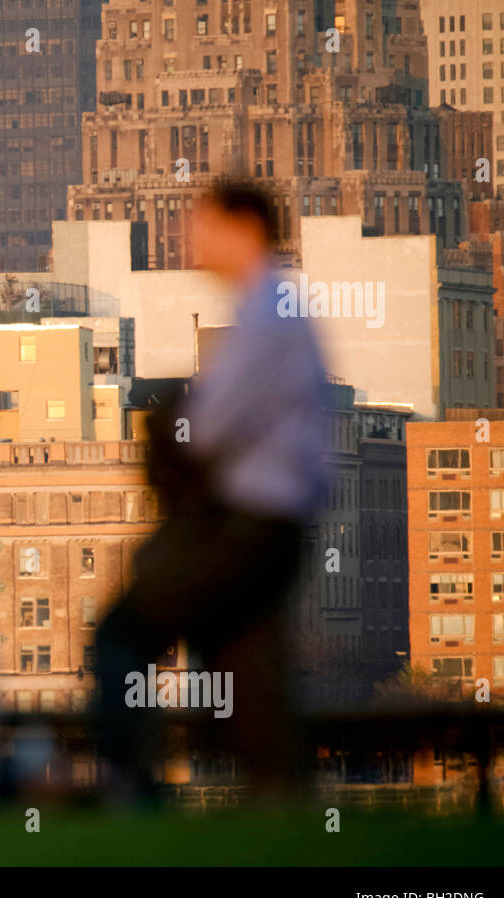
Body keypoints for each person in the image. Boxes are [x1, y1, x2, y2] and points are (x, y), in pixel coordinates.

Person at [92, 179, 327, 802]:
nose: (191, 240)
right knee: (247, 670)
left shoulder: (262, 313)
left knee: (120, 633)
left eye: (204, 226)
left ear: (244, 229)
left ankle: (130, 791)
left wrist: (167, 423)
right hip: (273, 528)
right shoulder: (280, 308)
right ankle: (280, 803)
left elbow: (205, 429)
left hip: (246, 527)